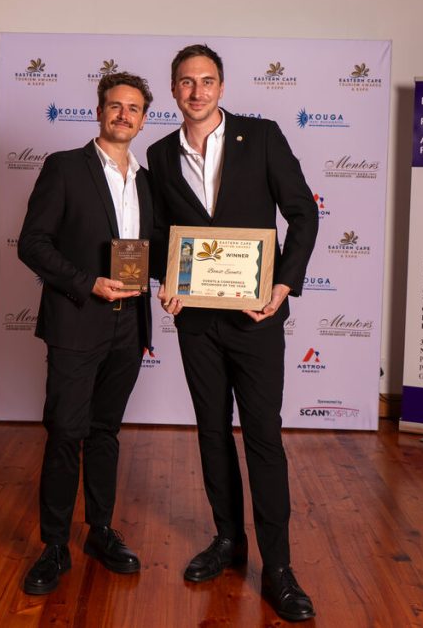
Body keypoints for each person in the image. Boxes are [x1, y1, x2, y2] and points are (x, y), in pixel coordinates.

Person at [147, 44, 318, 622]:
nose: (197, 92)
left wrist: (284, 286)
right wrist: (164, 282)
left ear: (222, 86)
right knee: (212, 433)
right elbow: (163, 236)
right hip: (195, 322)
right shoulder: (159, 152)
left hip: (257, 317)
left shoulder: (262, 136)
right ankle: (227, 540)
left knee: (264, 437)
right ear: (173, 90)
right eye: (186, 83)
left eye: (207, 81)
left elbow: (303, 212)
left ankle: (279, 566)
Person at [17, 72, 154, 595]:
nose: (124, 114)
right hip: (77, 318)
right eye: (115, 105)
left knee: (105, 432)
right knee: (65, 433)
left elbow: (156, 248)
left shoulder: (146, 180)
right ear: (99, 111)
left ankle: (100, 531)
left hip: (129, 323)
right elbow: (33, 243)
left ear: (143, 119)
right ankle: (54, 545)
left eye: (134, 108)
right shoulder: (65, 168)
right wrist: (86, 282)